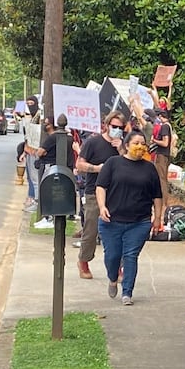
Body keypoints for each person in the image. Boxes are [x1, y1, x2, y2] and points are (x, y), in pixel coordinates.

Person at [95, 129, 164, 307]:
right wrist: (102, 207)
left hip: (139, 222)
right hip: (112, 221)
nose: (140, 147)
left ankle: (127, 292)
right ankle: (112, 278)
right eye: (136, 143)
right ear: (126, 145)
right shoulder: (113, 163)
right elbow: (101, 186)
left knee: (131, 255)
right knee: (112, 256)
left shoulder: (149, 168)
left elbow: (157, 195)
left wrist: (157, 217)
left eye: (143, 143)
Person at [74, 113, 126, 279]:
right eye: (114, 126)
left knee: (116, 233)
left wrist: (121, 148)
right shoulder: (93, 142)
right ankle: (84, 260)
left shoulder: (124, 146)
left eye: (120, 128)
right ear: (106, 125)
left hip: (117, 193)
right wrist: (97, 168)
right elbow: (79, 164)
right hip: (94, 192)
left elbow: (131, 164)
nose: (116, 130)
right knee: (91, 229)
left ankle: (115, 266)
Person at [21, 96, 44, 211]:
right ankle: (34, 199)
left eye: (32, 103)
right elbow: (27, 137)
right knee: (31, 177)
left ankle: (36, 201)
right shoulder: (29, 117)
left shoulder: (39, 117)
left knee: (35, 178)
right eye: (28, 103)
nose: (30, 105)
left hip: (36, 151)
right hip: (29, 150)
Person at [150, 109, 173, 196]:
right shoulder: (169, 126)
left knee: (161, 179)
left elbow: (165, 143)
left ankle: (163, 201)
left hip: (162, 155)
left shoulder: (164, 127)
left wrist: (154, 140)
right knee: (163, 178)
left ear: (160, 116)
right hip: (166, 155)